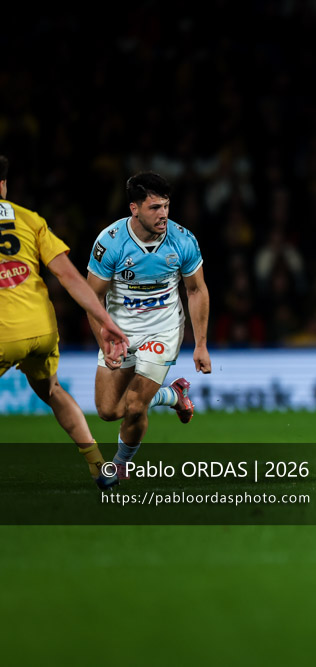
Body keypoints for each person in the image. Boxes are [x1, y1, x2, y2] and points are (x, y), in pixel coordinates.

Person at [0, 155, 130, 488]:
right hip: (41, 328)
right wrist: (105, 321)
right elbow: (69, 277)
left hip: (3, 332)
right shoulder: (29, 220)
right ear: (3, 184)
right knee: (53, 390)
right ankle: (99, 466)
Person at [86, 171, 211, 477]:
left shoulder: (182, 240)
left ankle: (121, 464)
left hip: (163, 330)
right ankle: (173, 396)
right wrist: (106, 338)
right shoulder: (110, 243)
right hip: (120, 333)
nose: (163, 214)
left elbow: (195, 290)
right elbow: (92, 299)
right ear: (134, 208)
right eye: (155, 207)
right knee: (108, 411)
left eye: (166, 206)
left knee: (133, 405)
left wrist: (201, 344)